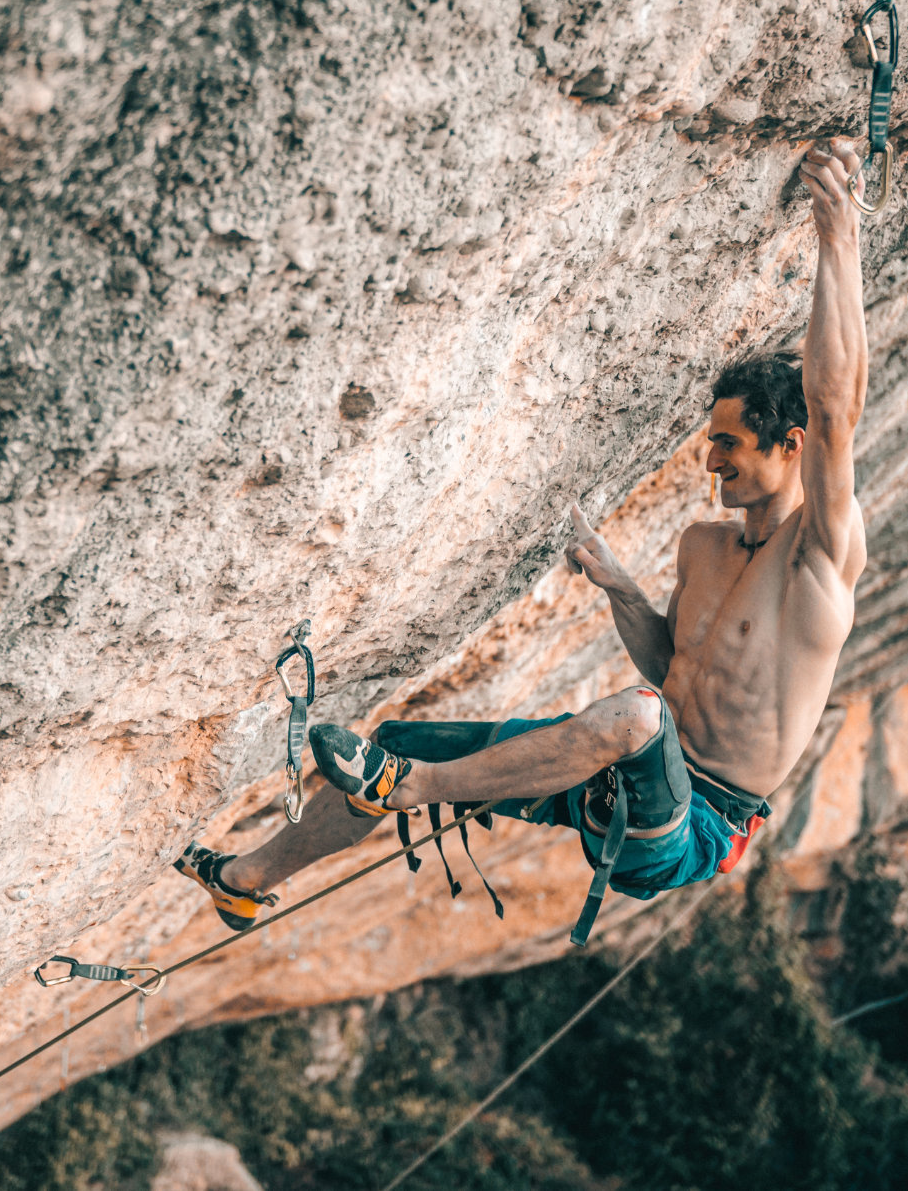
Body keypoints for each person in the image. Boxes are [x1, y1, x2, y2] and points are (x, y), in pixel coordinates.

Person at [176, 137, 871, 943]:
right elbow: (673, 664)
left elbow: (837, 403)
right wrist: (619, 587)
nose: (709, 459)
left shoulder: (821, 553)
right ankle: (245, 878)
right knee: (401, 739)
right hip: (618, 775)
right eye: (710, 441)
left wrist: (839, 235)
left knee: (633, 720)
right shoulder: (703, 548)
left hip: (694, 828)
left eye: (730, 444)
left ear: (790, 445)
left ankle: (411, 785)